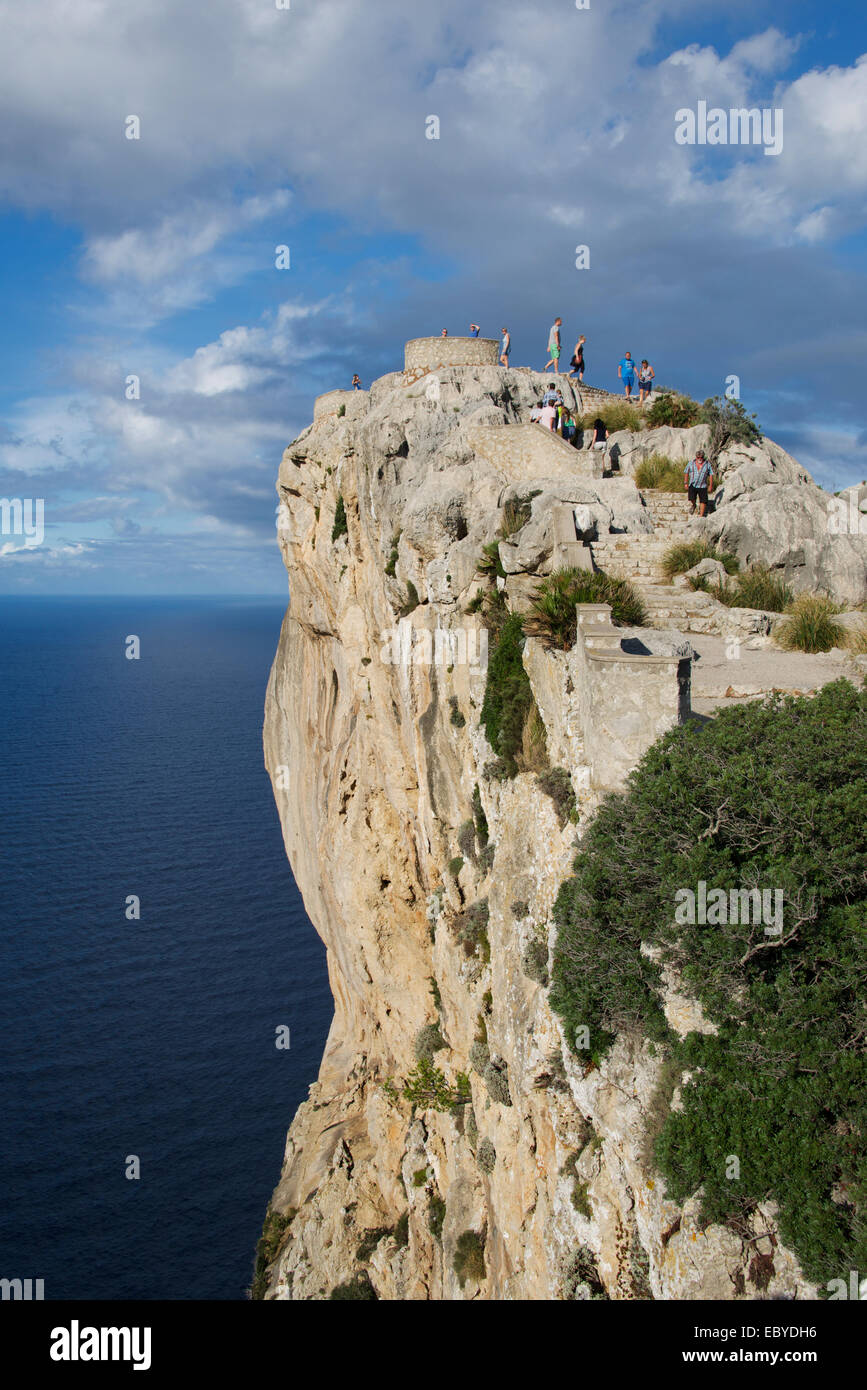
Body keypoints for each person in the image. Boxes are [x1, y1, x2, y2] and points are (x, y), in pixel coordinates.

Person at [684, 450, 714, 517]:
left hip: (702, 486)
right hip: (693, 484)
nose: (700, 459)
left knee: (703, 501)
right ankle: (694, 505)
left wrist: (710, 485)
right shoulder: (691, 463)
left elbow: (711, 474)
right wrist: (685, 483)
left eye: (701, 457)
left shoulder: (707, 464)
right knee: (691, 498)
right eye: (698, 457)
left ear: (703, 457)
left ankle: (701, 515)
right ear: (696, 457)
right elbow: (686, 472)